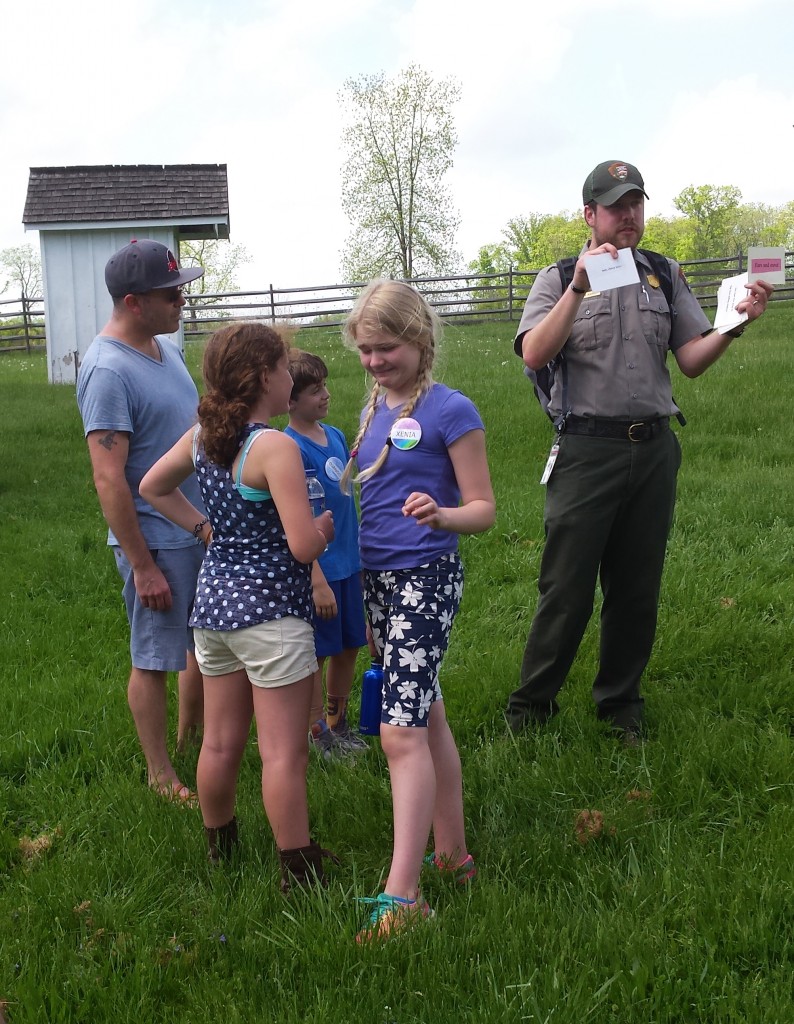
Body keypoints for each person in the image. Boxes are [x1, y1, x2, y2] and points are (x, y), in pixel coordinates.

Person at [504, 160, 774, 743]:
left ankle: (620, 703)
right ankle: (530, 710)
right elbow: (533, 353)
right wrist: (579, 287)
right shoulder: (557, 278)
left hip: (653, 450)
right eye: (615, 205)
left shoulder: (663, 273)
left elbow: (691, 361)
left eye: (637, 204)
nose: (629, 215)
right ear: (590, 214)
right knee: (566, 588)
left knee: (636, 587)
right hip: (586, 451)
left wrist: (734, 325)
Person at [139, 323, 338, 891]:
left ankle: (220, 846)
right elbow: (302, 546)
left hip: (215, 612)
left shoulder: (203, 436)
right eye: (284, 367)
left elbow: (153, 486)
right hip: (272, 615)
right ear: (264, 378)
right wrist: (324, 528)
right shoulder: (274, 446)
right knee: (282, 753)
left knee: (220, 741)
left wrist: (204, 527)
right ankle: (297, 868)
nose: (290, 376)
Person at [341, 280, 496, 942]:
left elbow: (484, 508)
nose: (376, 362)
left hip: (425, 578)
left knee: (398, 732)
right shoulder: (375, 408)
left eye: (388, 349)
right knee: (424, 715)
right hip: (379, 581)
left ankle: (403, 897)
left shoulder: (452, 411)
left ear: (421, 340)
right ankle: (453, 854)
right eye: (366, 350)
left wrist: (442, 515)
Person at [76, 239, 206, 803]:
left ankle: (193, 744)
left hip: (194, 526)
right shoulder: (107, 370)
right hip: (154, 539)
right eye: (170, 293)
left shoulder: (166, 350)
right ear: (133, 301)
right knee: (154, 656)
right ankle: (160, 774)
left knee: (199, 646)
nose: (182, 300)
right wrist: (143, 564)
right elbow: (109, 479)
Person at [284, 350, 369, 759]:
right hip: (320, 571)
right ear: (290, 400)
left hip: (350, 564)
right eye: (315, 391)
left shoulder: (333, 435)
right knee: (318, 653)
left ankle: (338, 722)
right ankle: (314, 732)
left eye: (325, 387)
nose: (326, 395)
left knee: (351, 644)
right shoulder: (289, 447)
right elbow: (295, 518)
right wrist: (316, 578)